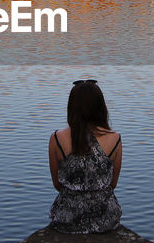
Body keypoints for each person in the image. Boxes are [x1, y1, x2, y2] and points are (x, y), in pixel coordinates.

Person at [48, 79, 122, 234]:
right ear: (100, 107)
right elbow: (112, 184)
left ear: (72, 107)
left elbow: (57, 184)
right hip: (105, 219)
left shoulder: (56, 138)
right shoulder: (114, 138)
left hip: (66, 219)